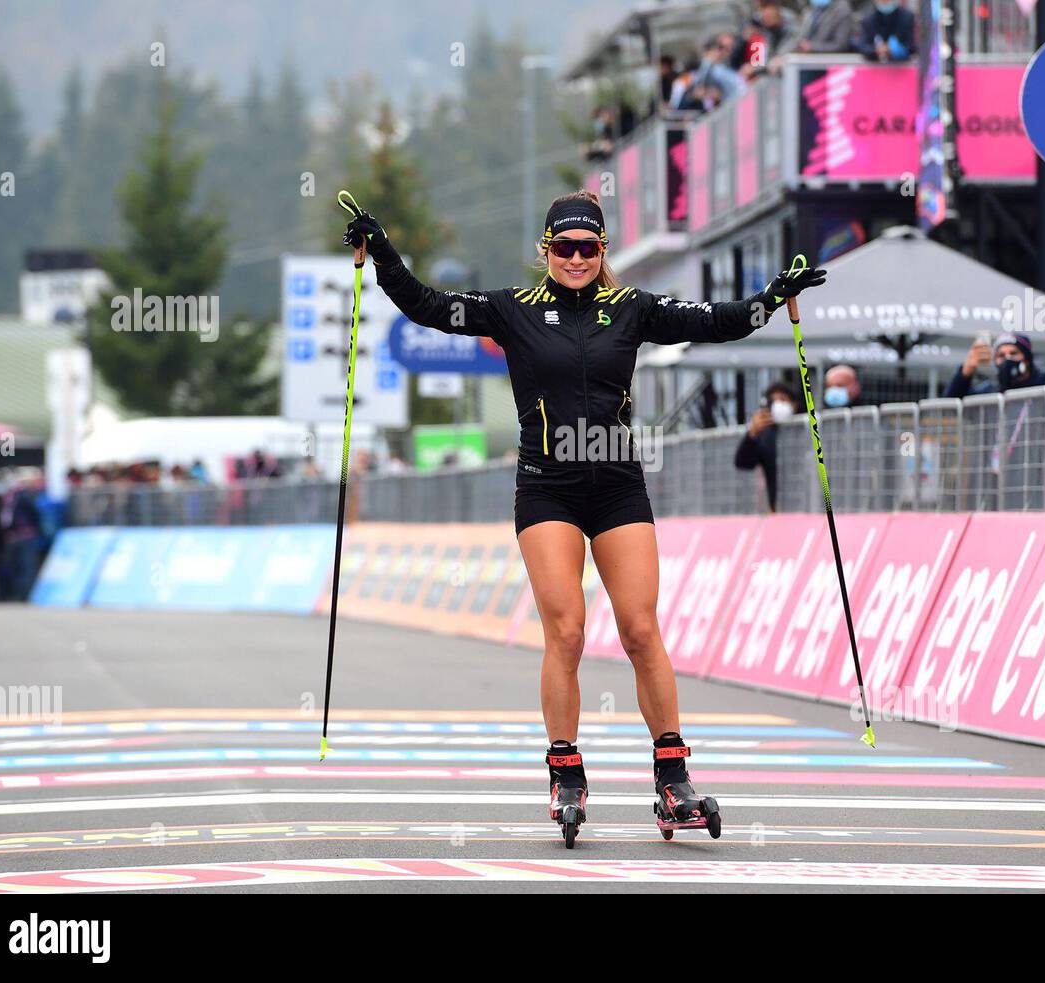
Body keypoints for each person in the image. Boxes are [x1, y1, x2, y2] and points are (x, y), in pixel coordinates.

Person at [344, 190, 825, 839]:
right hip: (547, 486)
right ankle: (566, 768)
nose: (576, 257)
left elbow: (715, 319)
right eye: (564, 247)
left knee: (639, 628)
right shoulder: (512, 309)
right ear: (545, 250)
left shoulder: (630, 308)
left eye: (588, 248)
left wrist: (771, 297)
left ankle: (672, 776)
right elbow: (428, 305)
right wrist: (382, 253)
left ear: (603, 253)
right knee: (567, 629)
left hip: (617, 483)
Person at [734, 381, 799, 512]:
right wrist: (752, 434)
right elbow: (743, 462)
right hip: (779, 508)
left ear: (794, 404)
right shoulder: (767, 435)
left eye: (783, 399)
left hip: (808, 506)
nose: (778, 405)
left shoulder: (809, 429)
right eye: (773, 401)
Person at [944, 331, 1045, 397]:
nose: (1007, 359)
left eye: (1014, 353)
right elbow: (951, 402)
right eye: (1001, 355)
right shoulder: (991, 392)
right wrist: (966, 371)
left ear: (1027, 359)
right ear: (995, 361)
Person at [792, 0, 858, 54]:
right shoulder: (812, 9)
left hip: (827, 63)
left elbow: (840, 46)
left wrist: (812, 47)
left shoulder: (843, 11)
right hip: (805, 59)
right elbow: (800, 35)